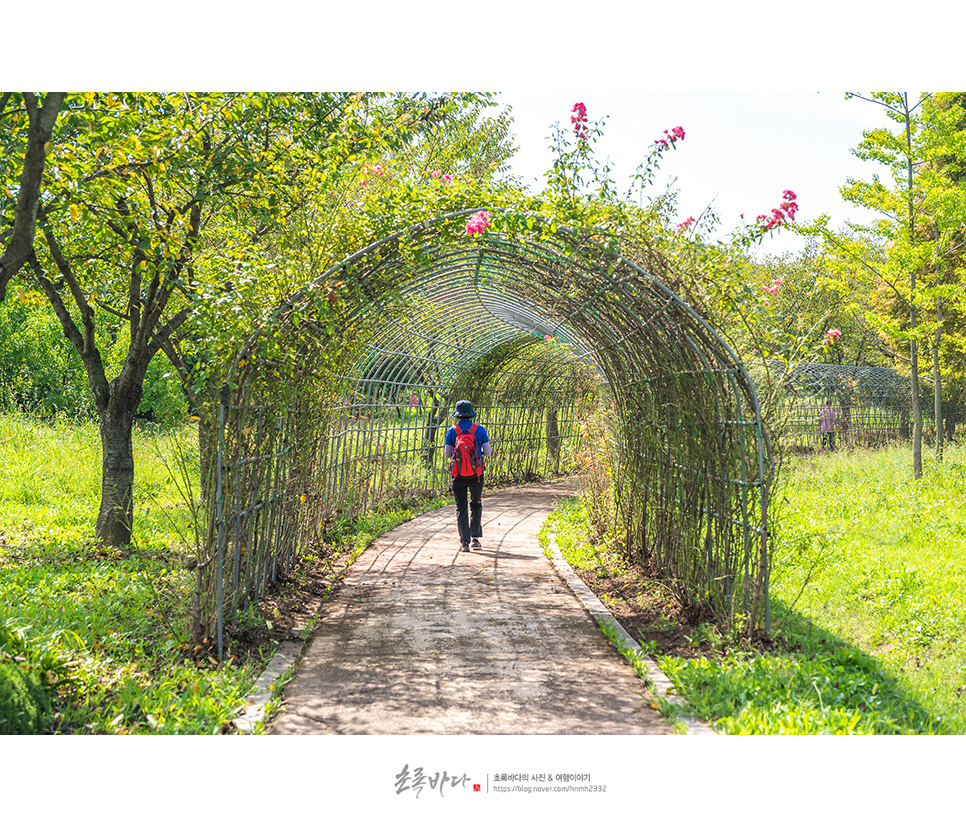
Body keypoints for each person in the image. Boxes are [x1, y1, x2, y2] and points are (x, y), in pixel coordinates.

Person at [444, 400, 491, 553]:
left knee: (461, 507)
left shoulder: (452, 431)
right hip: (477, 474)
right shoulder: (480, 429)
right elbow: (488, 452)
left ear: (457, 415)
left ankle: (464, 542)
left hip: (457, 474)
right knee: (476, 503)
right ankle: (475, 538)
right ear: (471, 415)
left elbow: (447, 454)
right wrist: (477, 454)